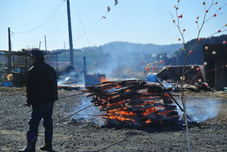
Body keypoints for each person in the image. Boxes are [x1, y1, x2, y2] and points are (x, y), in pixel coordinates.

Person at [19, 49, 58, 152]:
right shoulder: (50, 69)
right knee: (48, 123)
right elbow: (54, 85)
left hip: (39, 102)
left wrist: (29, 101)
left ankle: (30, 147)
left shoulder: (33, 69)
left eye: (31, 57)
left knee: (33, 124)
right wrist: (54, 98)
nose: (30, 59)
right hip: (50, 101)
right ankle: (48, 146)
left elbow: (30, 88)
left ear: (34, 58)